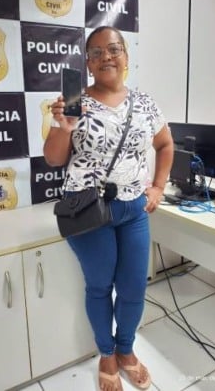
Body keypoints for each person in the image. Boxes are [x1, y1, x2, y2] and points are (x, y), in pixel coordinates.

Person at [43, 26, 173, 391]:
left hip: (134, 210)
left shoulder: (145, 103)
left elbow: (165, 145)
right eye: (96, 52)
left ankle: (126, 350)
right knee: (100, 286)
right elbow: (53, 159)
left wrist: (158, 187)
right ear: (87, 63)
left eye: (114, 49)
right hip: (89, 211)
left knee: (133, 289)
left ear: (126, 57)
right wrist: (64, 126)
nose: (106, 57)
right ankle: (106, 353)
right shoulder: (74, 102)